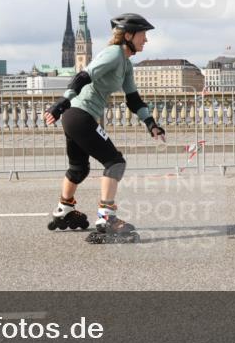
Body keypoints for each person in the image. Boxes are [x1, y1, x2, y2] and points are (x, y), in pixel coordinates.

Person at [43, 13, 165, 243]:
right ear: (128, 35)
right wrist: (62, 102)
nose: (146, 40)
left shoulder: (126, 64)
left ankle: (64, 209)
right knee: (115, 162)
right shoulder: (113, 53)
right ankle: (106, 217)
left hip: (76, 116)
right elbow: (83, 76)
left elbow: (134, 100)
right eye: (143, 35)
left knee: (79, 168)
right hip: (79, 114)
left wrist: (151, 124)